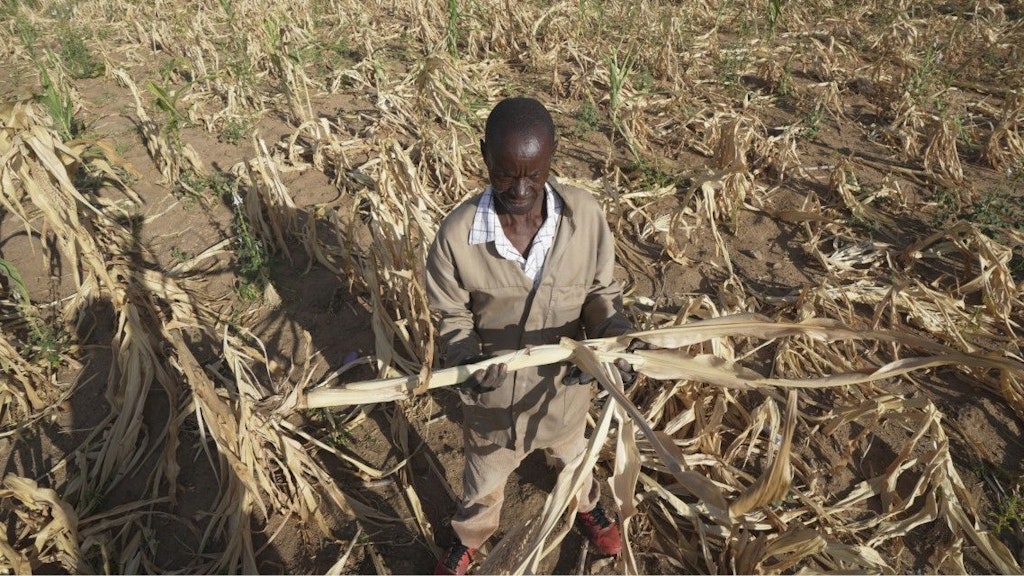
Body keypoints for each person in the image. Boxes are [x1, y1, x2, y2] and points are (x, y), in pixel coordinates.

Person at [425, 97, 636, 575]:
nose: (520, 189)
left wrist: (614, 339)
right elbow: (452, 313)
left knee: (574, 461)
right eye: (504, 174)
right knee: (483, 483)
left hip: (562, 396)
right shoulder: (458, 237)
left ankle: (585, 505)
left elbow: (601, 294)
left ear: (552, 157)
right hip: (493, 405)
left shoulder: (583, 218)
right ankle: (469, 539)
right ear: (484, 156)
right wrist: (464, 358)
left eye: (534, 175)